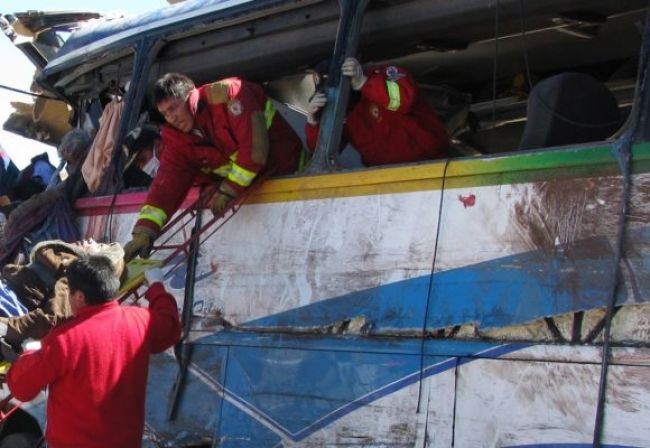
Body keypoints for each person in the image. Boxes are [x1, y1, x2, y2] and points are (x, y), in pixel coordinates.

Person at [123, 73, 303, 261]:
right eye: (165, 114)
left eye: (173, 108)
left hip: (297, 176)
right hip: (262, 196)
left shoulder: (228, 95)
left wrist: (227, 190)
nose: (171, 118)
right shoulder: (177, 140)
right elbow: (166, 186)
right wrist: (145, 230)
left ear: (190, 97)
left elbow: (255, 151)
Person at [6, 256, 180, 448]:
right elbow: (170, 327)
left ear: (79, 297)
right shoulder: (140, 320)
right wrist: (156, 286)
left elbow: (21, 388)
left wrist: (30, 352)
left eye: (69, 293)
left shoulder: (64, 340)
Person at [305, 57, 450, 166]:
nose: (335, 98)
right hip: (386, 183)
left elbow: (403, 100)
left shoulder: (386, 74)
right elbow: (324, 154)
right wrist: (314, 123)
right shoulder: (343, 117)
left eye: (336, 91)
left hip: (434, 167)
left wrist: (364, 82)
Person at [0, 239, 125, 347]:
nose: (91, 239)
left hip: (9, 301)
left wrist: (6, 326)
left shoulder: (76, 274)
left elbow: (53, 318)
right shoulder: (63, 261)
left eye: (99, 246)